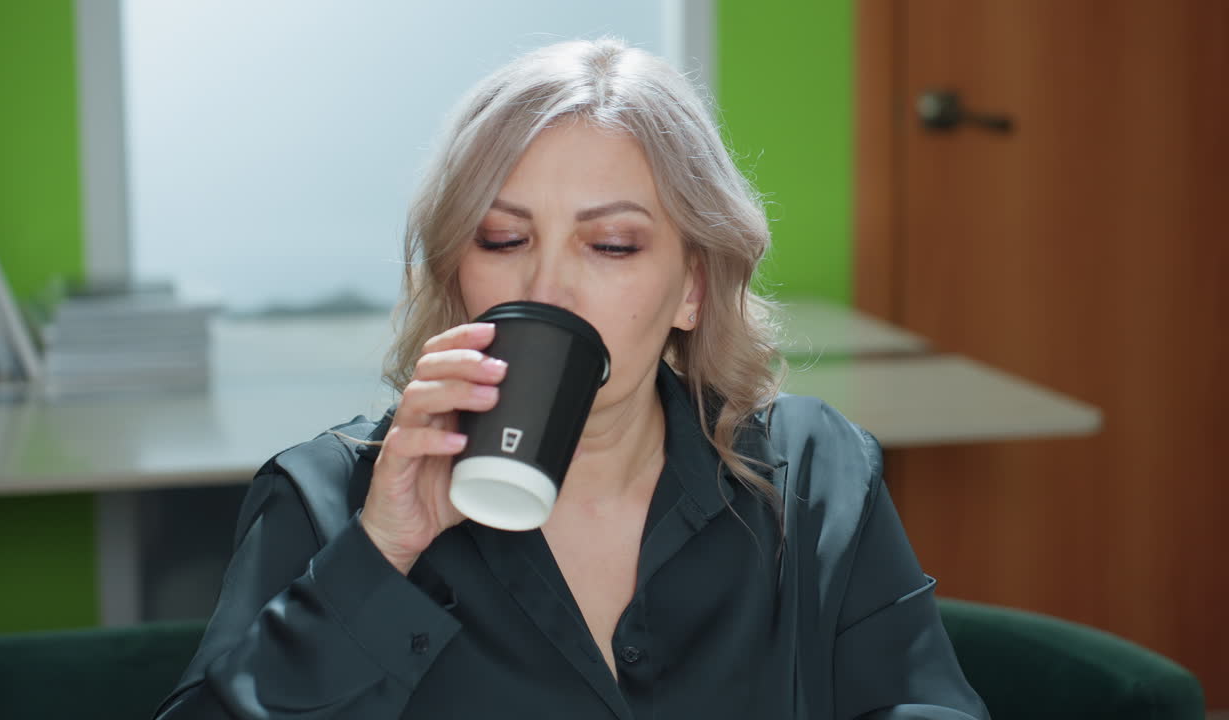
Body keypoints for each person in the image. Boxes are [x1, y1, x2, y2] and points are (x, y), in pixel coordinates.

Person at [155, 37, 988, 720]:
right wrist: (379, 555)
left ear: (692, 288)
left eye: (612, 245)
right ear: (457, 278)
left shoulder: (813, 475)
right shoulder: (327, 499)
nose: (547, 290)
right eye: (503, 241)